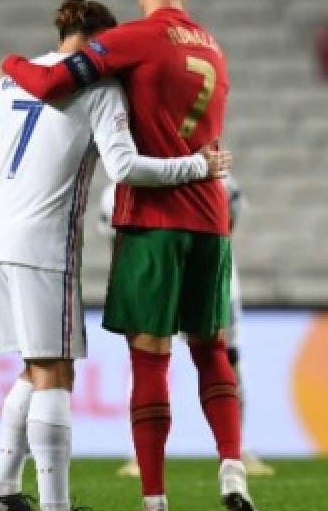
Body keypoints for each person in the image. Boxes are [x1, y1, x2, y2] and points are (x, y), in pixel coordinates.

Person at [1, 0, 260, 511]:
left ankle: (154, 509)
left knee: (151, 359)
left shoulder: (137, 39)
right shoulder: (215, 50)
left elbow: (49, 83)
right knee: (212, 349)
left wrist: (11, 62)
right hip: (212, 220)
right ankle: (231, 469)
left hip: (154, 221)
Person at [99, 174, 275, 478]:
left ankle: (236, 449)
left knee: (223, 356)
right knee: (152, 362)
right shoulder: (124, 183)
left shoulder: (221, 180)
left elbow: (226, 228)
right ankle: (140, 454)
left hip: (207, 271)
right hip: (155, 273)